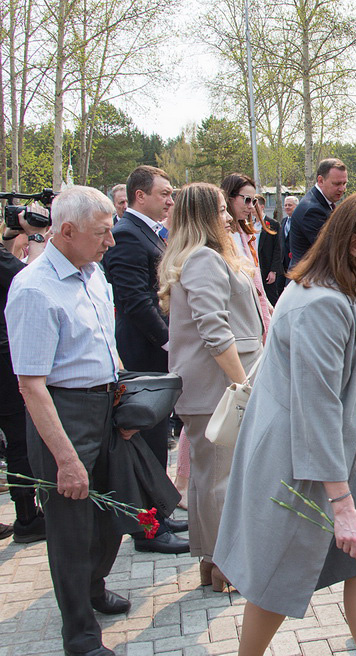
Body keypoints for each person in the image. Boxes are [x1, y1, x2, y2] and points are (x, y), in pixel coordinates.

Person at [215, 191, 356, 656]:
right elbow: (316, 407)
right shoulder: (322, 303)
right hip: (298, 461)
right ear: (355, 244)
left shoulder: (336, 291)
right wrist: (341, 502)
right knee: (277, 577)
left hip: (324, 455)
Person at [6, 185, 138, 656]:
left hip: (105, 409)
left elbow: (106, 345)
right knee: (70, 526)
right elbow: (32, 384)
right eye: (103, 232)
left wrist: (122, 400)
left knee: (110, 515)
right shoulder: (34, 290)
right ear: (66, 231)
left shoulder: (93, 274)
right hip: (63, 415)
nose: (112, 240)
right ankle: (79, 632)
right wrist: (65, 459)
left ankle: (94, 588)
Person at [157, 182, 265, 594]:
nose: (227, 214)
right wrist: (242, 385)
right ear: (204, 215)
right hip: (218, 389)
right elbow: (215, 331)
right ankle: (227, 567)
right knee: (221, 480)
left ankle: (212, 562)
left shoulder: (203, 256)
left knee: (208, 478)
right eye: (220, 208)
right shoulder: (203, 258)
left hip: (212, 388)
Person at [102, 165, 189, 554]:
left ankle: (159, 514)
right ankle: (147, 531)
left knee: (156, 441)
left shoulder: (147, 232)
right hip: (146, 352)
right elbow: (136, 302)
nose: (171, 200)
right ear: (141, 196)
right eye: (164, 193)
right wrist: (169, 342)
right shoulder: (126, 236)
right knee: (146, 441)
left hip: (156, 351)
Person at [0, 210, 49, 543]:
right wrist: (34, 236)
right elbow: (31, 276)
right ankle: (27, 517)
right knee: (19, 439)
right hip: (4, 359)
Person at [222, 174, 273, 337]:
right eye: (246, 200)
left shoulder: (247, 234)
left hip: (255, 309)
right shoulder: (219, 236)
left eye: (254, 201)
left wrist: (266, 303)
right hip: (236, 315)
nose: (251, 206)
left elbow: (255, 275)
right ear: (229, 197)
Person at [289, 159, 348, 268]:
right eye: (337, 184)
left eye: (344, 183)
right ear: (320, 180)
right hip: (307, 279)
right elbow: (331, 250)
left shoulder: (322, 203)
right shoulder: (312, 210)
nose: (342, 189)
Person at [256, 194, 285, 305]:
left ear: (262, 206)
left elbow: (278, 248)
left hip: (268, 267)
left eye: (255, 204)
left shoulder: (273, 224)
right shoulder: (249, 224)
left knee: (271, 296)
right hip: (256, 266)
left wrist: (273, 270)